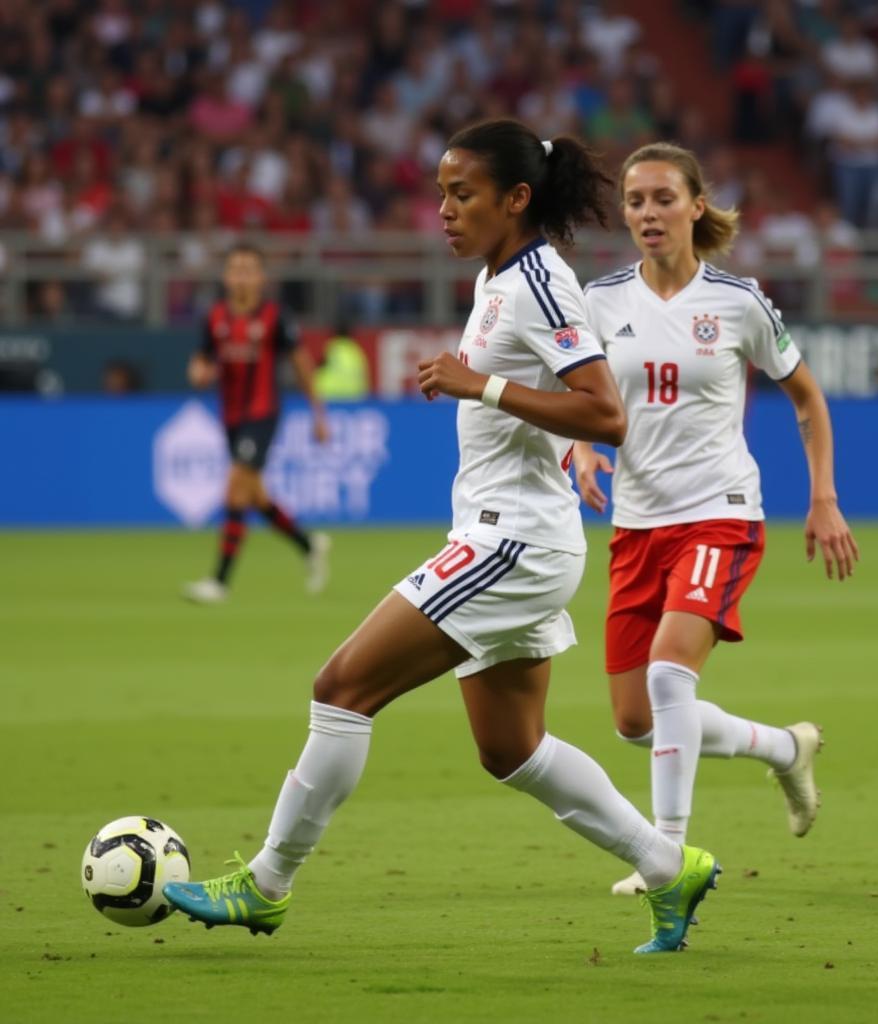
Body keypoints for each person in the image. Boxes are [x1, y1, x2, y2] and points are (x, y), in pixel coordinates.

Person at [164, 120, 721, 955]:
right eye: (440, 193)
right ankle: (666, 864)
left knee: (341, 687)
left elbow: (608, 413)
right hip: (523, 535)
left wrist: (480, 383)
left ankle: (267, 883)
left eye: (462, 194)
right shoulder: (502, 275)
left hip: (512, 545)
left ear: (516, 198)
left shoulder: (539, 281)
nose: (444, 211)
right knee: (511, 748)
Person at [575, 142, 859, 896]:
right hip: (637, 527)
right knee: (636, 720)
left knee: (671, 673)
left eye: (663, 199)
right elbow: (582, 394)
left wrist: (822, 497)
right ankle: (782, 749)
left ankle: (666, 859)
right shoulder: (601, 301)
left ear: (697, 206)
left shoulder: (739, 301)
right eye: (635, 201)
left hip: (721, 515)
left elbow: (808, 399)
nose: (648, 214)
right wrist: (578, 442)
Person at [183, 243, 331, 604]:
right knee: (254, 495)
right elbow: (200, 361)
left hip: (263, 414)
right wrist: (198, 373)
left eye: (250, 269)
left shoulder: (275, 318)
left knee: (236, 486)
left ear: (262, 278)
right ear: (226, 276)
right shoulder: (215, 317)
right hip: (231, 417)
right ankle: (309, 544)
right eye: (236, 269)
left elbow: (301, 364)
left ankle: (219, 581)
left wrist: (318, 414)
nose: (242, 277)